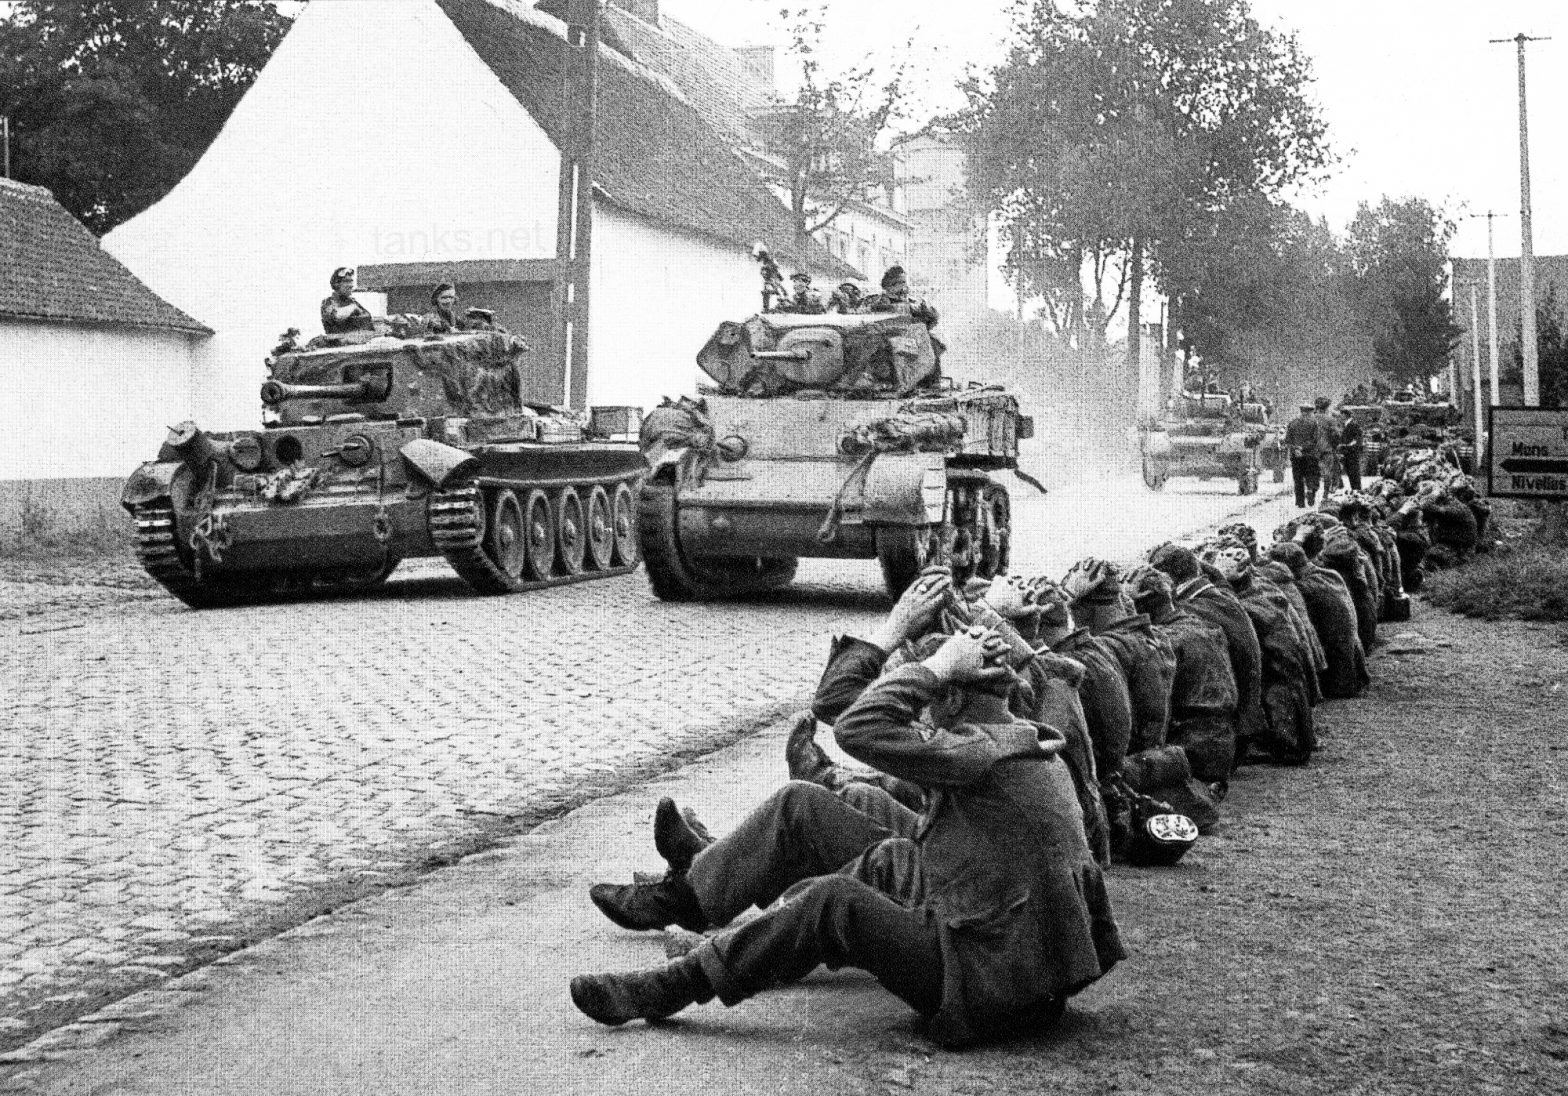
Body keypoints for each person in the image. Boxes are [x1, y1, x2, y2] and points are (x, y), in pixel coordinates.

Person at [572, 626, 1126, 1048]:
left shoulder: (973, 752)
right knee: (887, 856)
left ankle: (670, 986)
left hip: (988, 988)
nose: (924, 717)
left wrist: (934, 665)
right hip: (1018, 964)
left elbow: (857, 726)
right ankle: (747, 941)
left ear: (952, 700)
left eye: (931, 701)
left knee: (832, 905)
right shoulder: (1010, 734)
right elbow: (847, 709)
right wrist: (929, 637)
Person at [861, 265, 939, 329]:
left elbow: (932, 318)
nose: (905, 286)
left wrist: (923, 310)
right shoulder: (873, 301)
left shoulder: (914, 303)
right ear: (889, 286)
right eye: (901, 283)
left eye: (904, 282)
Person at [1283, 404, 1324, 508]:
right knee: (1312, 475)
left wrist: (1296, 449)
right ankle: (1311, 490)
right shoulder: (1314, 423)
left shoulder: (1293, 423)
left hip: (1296, 456)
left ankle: (1300, 502)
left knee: (1298, 478)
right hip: (1310, 454)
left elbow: (1287, 440)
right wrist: (1303, 448)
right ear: (1310, 412)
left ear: (1301, 412)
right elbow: (1315, 440)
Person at [320, 266, 373, 335]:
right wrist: (353, 308)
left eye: (351, 281)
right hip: (338, 343)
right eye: (346, 281)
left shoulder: (352, 302)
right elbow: (336, 316)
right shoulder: (328, 302)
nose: (351, 285)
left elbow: (367, 317)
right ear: (336, 284)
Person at [1314, 396, 1343, 492]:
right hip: (1327, 448)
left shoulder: (1311, 419)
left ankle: (1311, 489)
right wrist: (1334, 445)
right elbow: (1336, 435)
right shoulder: (1330, 419)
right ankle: (1331, 488)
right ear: (1326, 408)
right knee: (1333, 467)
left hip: (1313, 449)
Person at [1337, 407, 1365, 491]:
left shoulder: (1353, 425)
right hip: (1347, 453)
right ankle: (1355, 490)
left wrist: (1344, 446)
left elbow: (1357, 441)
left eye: (1341, 415)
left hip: (1352, 453)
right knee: (1350, 473)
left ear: (1345, 415)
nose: (1340, 417)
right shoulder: (1346, 425)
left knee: (1354, 474)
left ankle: (1357, 491)